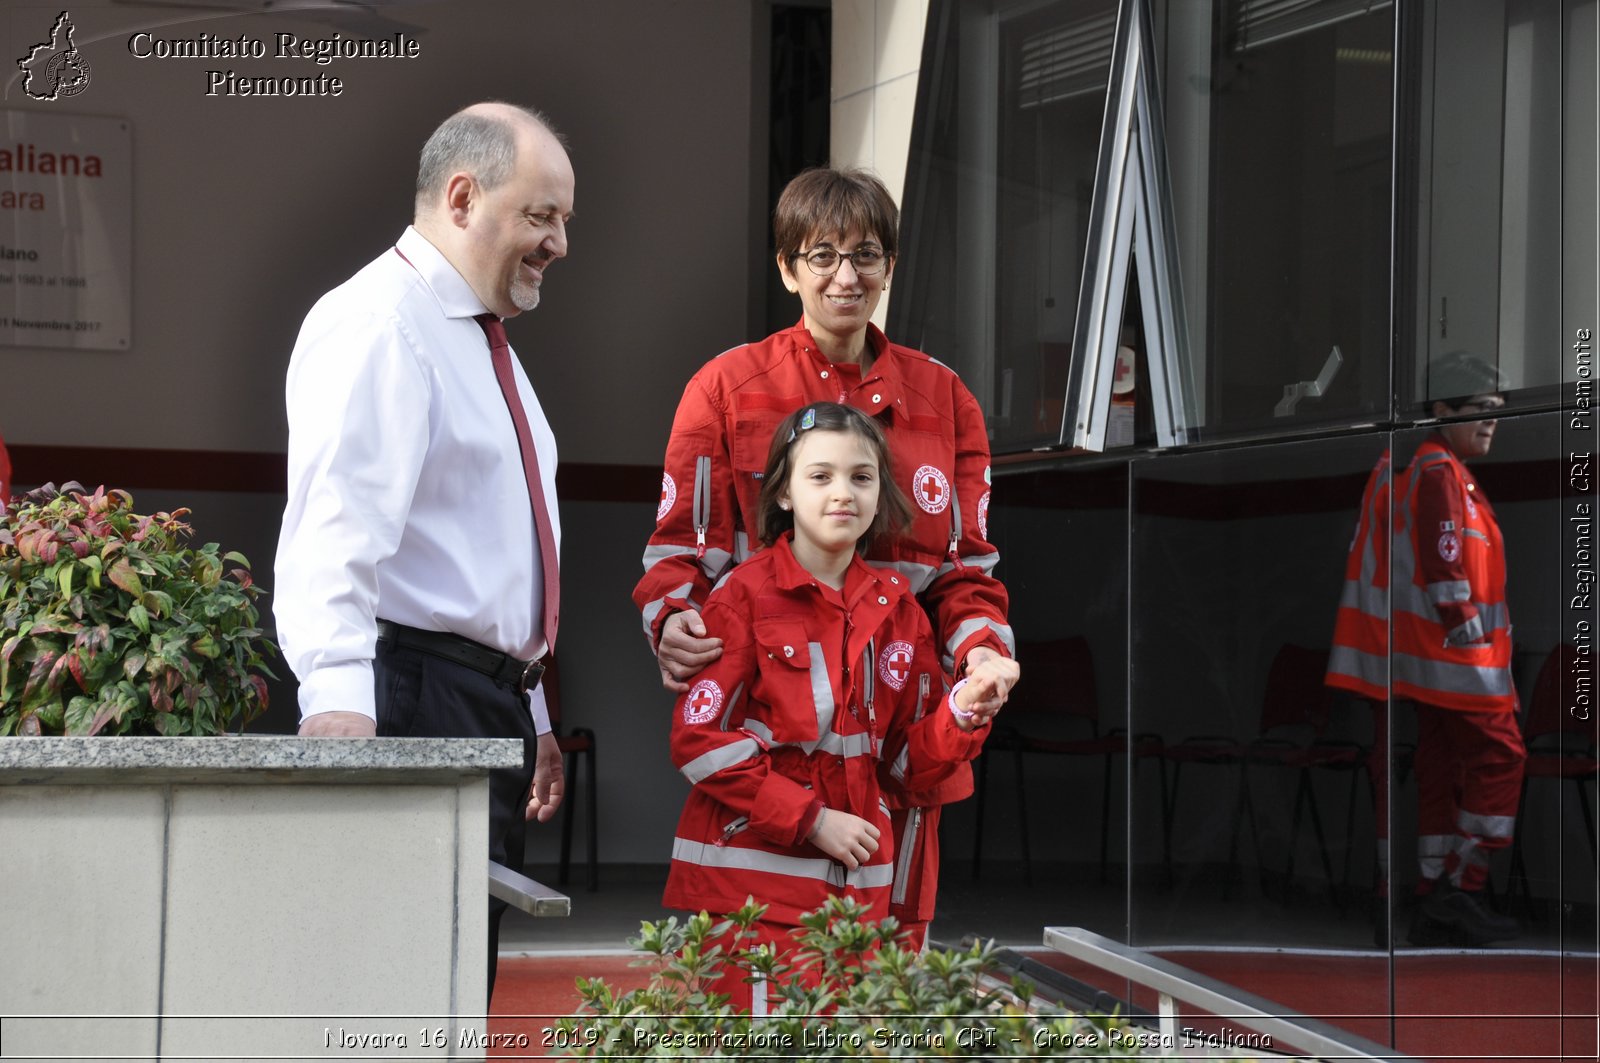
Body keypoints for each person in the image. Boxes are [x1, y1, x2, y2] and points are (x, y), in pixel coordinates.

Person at [635, 167, 1017, 947]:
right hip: (775, 738)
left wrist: (981, 659)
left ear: (891, 266)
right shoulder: (725, 388)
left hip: (896, 738)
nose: (847, 275)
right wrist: (671, 617)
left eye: (867, 254)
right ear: (786, 268)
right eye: (823, 255)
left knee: (884, 974)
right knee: (761, 975)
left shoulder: (946, 399)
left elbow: (966, 574)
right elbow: (681, 545)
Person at [273, 102, 572, 1002]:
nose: (559, 242)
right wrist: (338, 716)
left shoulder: (480, 338)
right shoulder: (381, 322)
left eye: (564, 219)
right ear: (461, 195)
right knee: (395, 995)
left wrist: (538, 710)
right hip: (408, 701)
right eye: (542, 215)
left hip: (478, 705)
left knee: (445, 994)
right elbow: (333, 534)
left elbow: (492, 551)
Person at [663, 402, 1018, 1012]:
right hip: (753, 897)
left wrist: (962, 713)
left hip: (861, 903)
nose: (843, 493)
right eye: (819, 476)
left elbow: (906, 767)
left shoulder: (903, 611)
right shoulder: (742, 596)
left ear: (881, 495)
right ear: (782, 493)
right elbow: (699, 742)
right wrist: (812, 820)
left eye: (862, 476)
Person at [1331, 351, 1524, 946]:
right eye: (1480, 411)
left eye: (1498, 412)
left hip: (1422, 658)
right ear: (1442, 411)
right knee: (1504, 756)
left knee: (1440, 767)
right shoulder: (1437, 471)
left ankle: (1429, 892)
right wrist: (1469, 632)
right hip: (1455, 657)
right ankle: (1457, 890)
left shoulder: (1423, 468)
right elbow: (1446, 570)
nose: (1492, 422)